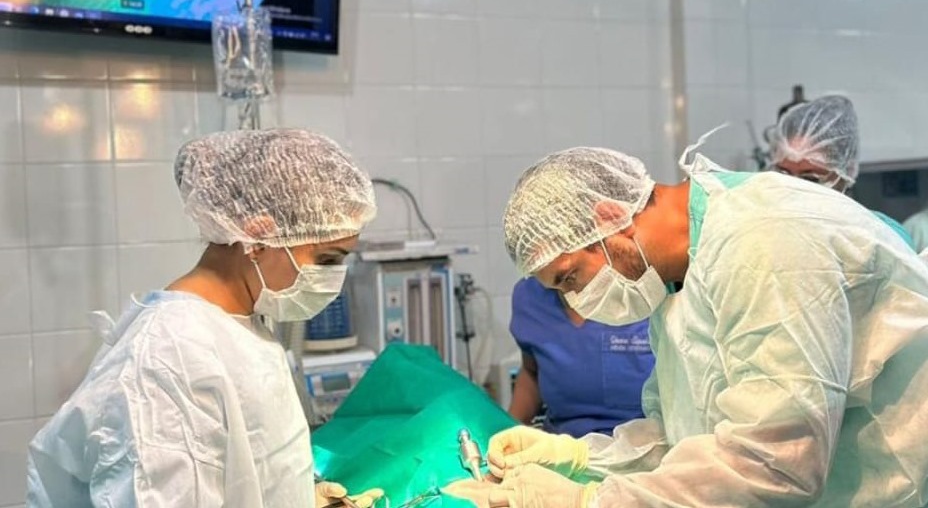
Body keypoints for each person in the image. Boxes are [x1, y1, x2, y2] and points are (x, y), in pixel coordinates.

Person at [445, 140, 928, 507]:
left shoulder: (764, 243)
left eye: (569, 277)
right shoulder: (675, 280)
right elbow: (685, 437)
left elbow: (778, 463)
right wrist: (579, 459)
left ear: (611, 219)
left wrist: (588, 501)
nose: (575, 299)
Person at [27, 129, 383, 508]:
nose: (333, 277)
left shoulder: (241, 326)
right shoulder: (169, 359)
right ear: (258, 239)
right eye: (327, 259)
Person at [508, 278, 653, 438]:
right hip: (562, 448)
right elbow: (532, 371)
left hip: (643, 449)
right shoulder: (531, 298)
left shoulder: (644, 290)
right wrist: (506, 433)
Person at [769, 94, 916, 248]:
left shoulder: (881, 236)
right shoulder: (760, 225)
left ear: (846, 171)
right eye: (784, 175)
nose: (794, 188)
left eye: (810, 179)